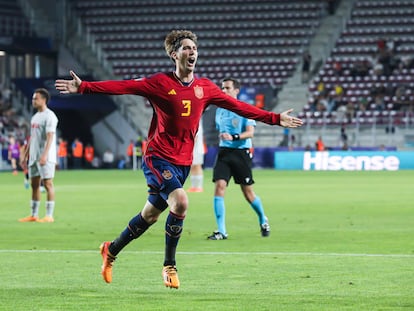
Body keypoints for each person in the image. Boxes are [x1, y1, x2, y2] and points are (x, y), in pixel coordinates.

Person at [55, 29, 303, 289]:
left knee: (149, 215)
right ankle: (169, 265)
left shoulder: (205, 88)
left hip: (182, 163)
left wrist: (275, 118)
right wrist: (84, 87)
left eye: (194, 48)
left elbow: (240, 107)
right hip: (158, 157)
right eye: (186, 48)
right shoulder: (159, 83)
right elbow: (123, 86)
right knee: (181, 201)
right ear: (174, 55)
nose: (192, 51)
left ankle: (111, 249)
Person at [208, 78, 270, 240]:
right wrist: (225, 137)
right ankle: (221, 231)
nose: (224, 91)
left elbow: (250, 133)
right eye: (222, 88)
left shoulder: (244, 109)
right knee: (219, 186)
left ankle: (263, 218)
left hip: (241, 152)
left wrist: (233, 136)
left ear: (236, 91)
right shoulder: (219, 110)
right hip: (224, 152)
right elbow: (221, 130)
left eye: (227, 88)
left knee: (248, 192)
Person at [18, 88, 58, 223]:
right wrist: (26, 154)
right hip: (34, 157)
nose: (33, 101)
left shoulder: (50, 116)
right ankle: (34, 214)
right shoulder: (35, 117)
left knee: (48, 183)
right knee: (34, 184)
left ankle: (49, 215)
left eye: (36, 98)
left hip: (45, 157)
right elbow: (32, 137)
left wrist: (44, 155)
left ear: (43, 99)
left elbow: (50, 137)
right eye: (33, 98)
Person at [187, 120, 205, 192]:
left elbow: (196, 136)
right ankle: (194, 186)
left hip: (197, 148)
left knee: (197, 166)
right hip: (193, 148)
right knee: (192, 166)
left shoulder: (197, 123)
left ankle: (199, 186)